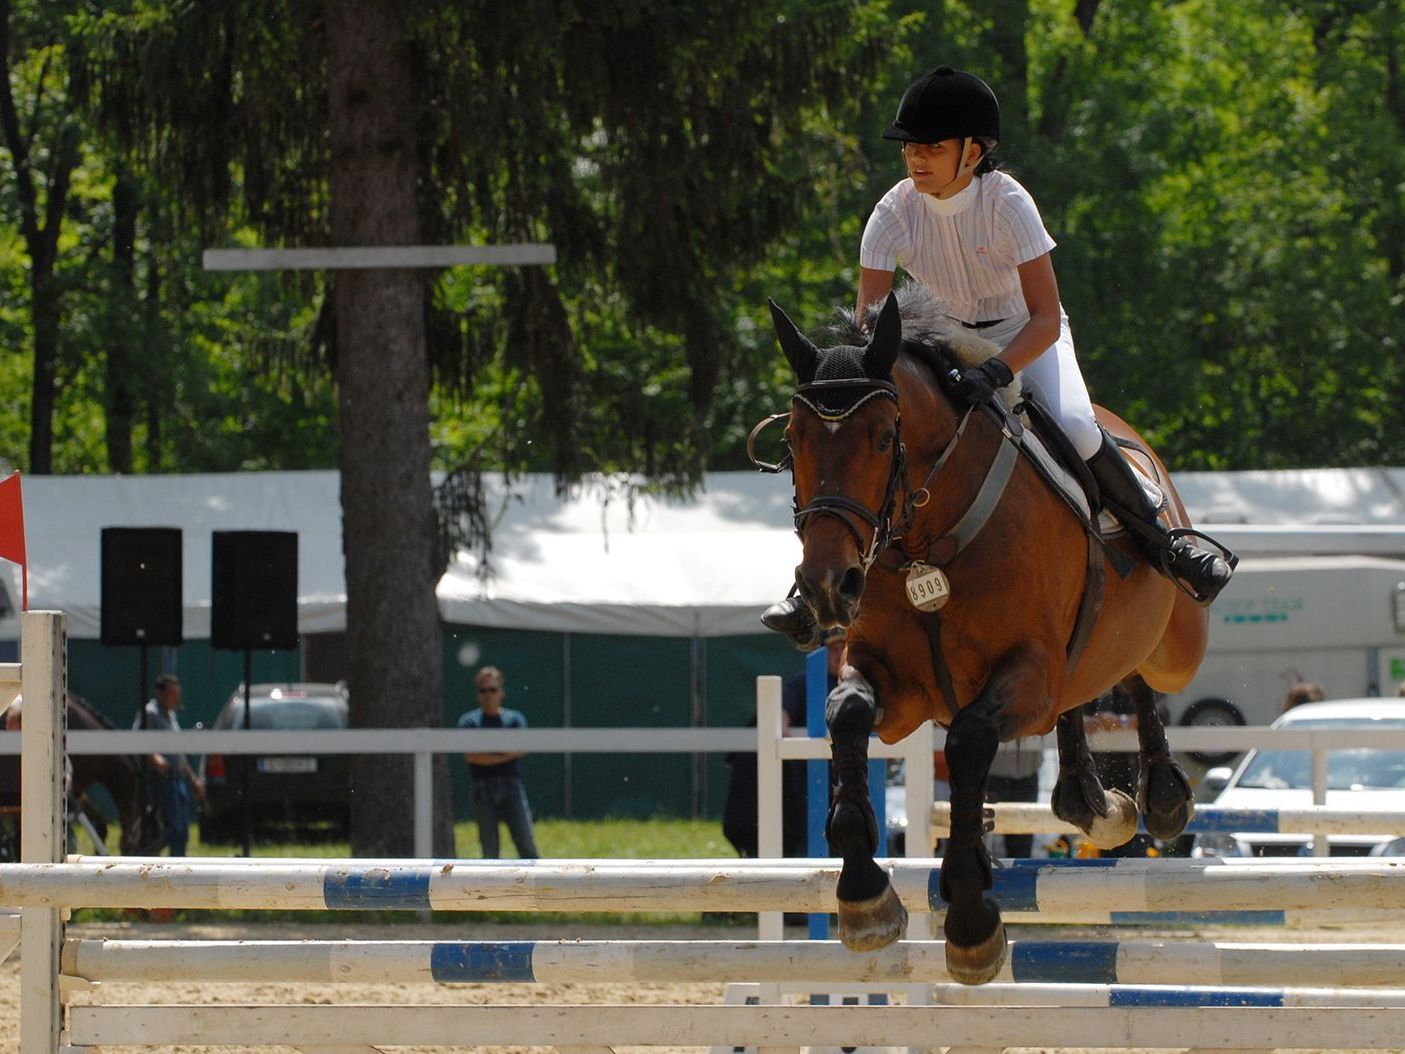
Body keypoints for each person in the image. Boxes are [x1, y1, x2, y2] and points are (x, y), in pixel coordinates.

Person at [763, 65, 1231, 647]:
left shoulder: (1009, 204)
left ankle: (1166, 546)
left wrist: (999, 368)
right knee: (865, 439)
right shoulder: (889, 215)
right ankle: (813, 587)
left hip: (1024, 337)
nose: (915, 157)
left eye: (932, 145)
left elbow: (1041, 314)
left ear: (973, 152)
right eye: (910, 145)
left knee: (1078, 427)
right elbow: (869, 338)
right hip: (936, 343)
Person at [723, 630, 844, 860]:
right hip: (809, 787)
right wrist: (780, 728)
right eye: (833, 649)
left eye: (842, 648)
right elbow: (781, 712)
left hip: (848, 779)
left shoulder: (857, 683)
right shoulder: (804, 682)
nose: (838, 655)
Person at [458, 666, 540, 859]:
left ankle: (536, 888)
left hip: (511, 786)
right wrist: (504, 754)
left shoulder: (514, 719)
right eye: (483, 690)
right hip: (481, 789)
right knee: (490, 852)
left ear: (501, 692)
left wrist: (489, 754)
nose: (489, 695)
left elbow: (521, 748)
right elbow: (472, 756)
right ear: (478, 694)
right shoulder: (469, 722)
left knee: (527, 846)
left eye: (493, 689)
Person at [134, 673, 204, 857]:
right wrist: (154, 757)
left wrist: (193, 779)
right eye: (172, 694)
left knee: (182, 831)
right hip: (161, 780)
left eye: (177, 694)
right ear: (159, 692)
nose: (176, 698)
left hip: (178, 780)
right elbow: (137, 739)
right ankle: (143, 857)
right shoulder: (150, 713)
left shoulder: (171, 716)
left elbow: (178, 754)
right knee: (172, 827)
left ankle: (178, 866)